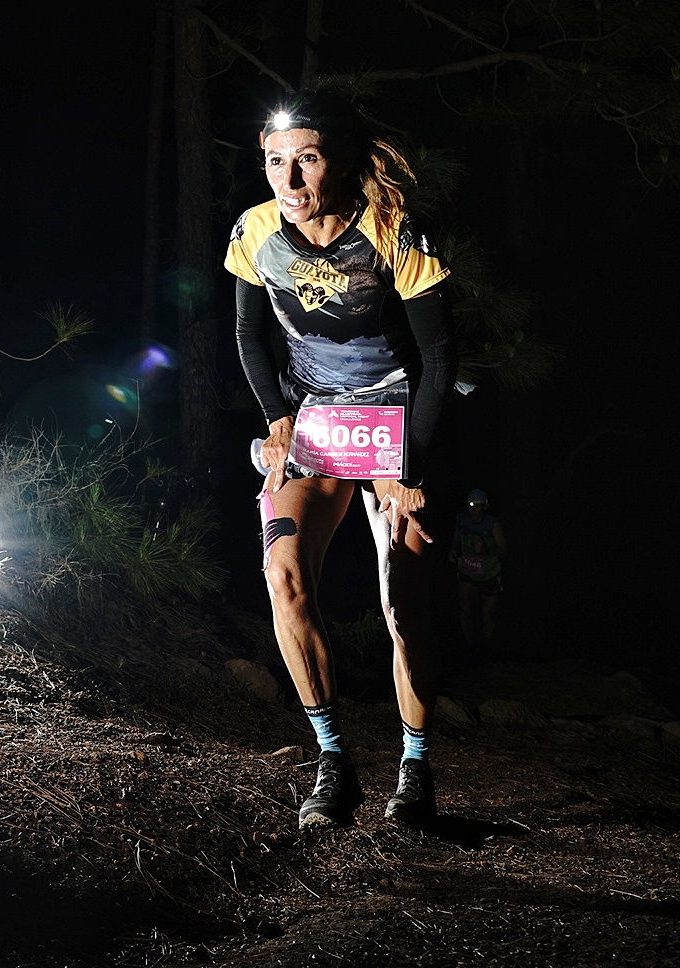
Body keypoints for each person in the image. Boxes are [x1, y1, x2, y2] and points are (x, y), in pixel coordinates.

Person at [226, 90, 458, 830]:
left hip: (395, 416)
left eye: (306, 160)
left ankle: (414, 766)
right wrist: (276, 420)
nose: (289, 181)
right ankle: (333, 760)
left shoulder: (391, 228)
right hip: (317, 422)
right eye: (273, 163)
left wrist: (411, 468)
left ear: (338, 161)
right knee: (281, 575)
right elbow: (247, 335)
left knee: (405, 608)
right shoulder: (255, 230)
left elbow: (438, 354)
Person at [449, 488, 509, 653]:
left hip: (489, 574)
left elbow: (504, 551)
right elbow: (456, 540)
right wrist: (453, 551)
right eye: (471, 504)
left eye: (478, 505)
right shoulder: (461, 520)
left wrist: (486, 549)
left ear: (485, 506)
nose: (474, 508)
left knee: (488, 614)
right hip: (467, 572)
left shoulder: (492, 524)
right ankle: (469, 647)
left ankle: (488, 649)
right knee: (465, 608)